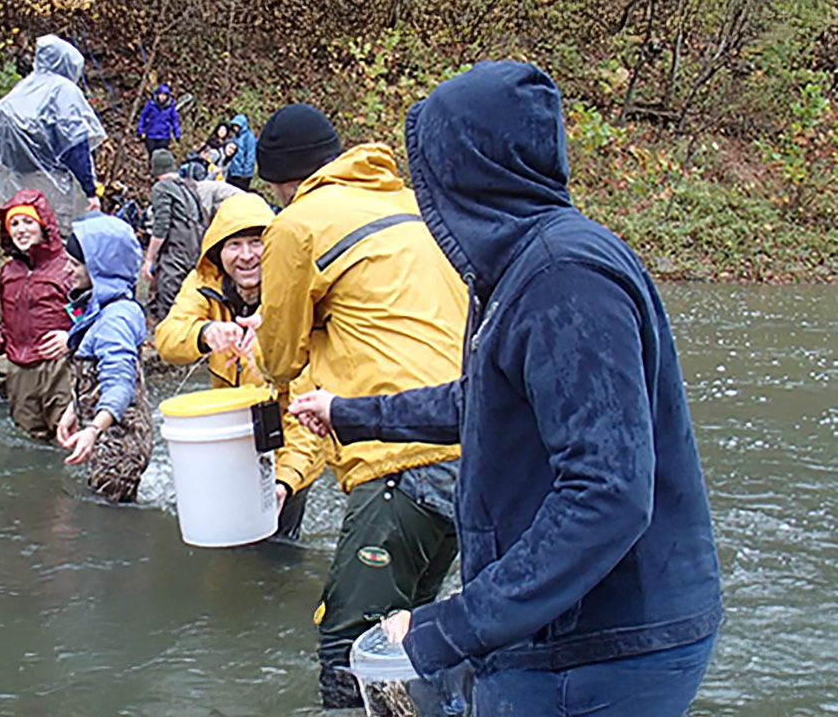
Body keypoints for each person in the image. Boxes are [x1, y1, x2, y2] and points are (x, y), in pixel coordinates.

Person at [290, 62, 723, 716]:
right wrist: (348, 413)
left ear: (466, 170)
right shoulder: (515, 270)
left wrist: (454, 626)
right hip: (551, 634)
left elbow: (609, 495)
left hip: (606, 644)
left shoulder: (564, 277)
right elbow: (483, 406)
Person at [251, 103, 469, 709]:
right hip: (473, 450)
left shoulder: (297, 225)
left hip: (398, 460)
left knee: (348, 647)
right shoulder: (412, 205)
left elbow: (279, 358)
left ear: (283, 181)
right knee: (409, 642)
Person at [153, 193, 325, 541]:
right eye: (234, 244)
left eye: (256, 243)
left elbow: (308, 413)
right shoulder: (205, 284)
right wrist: (206, 332)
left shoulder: (297, 296)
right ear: (218, 251)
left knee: (277, 552)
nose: (246, 256)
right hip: (230, 440)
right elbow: (167, 338)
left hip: (288, 446)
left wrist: (285, 481)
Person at [57, 214, 153, 504]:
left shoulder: (116, 319)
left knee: (109, 526)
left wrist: (93, 429)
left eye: (74, 264)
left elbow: (120, 384)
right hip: (106, 437)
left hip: (119, 444)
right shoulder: (100, 307)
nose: (66, 270)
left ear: (99, 268)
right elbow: (95, 377)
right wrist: (74, 410)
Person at [0, 35, 105, 237]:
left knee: (28, 236)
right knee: (56, 239)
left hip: (19, 181)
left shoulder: (25, 88)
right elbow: (74, 143)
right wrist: (89, 190)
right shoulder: (63, 90)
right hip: (54, 184)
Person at [0, 190, 72, 440]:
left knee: (67, 435)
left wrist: (71, 338)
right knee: (31, 439)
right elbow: (8, 324)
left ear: (44, 225)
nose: (21, 229)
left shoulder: (68, 267)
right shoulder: (8, 273)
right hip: (19, 369)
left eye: (28, 221)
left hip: (59, 365)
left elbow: (93, 317)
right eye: (14, 223)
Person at [141, 149, 206, 322]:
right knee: (191, 297)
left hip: (175, 252)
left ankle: (167, 342)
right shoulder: (189, 186)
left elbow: (161, 226)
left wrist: (149, 259)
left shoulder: (161, 188)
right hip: (196, 248)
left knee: (169, 299)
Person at [136, 84, 181, 157]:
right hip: (151, 135)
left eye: (164, 95)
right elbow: (143, 117)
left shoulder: (170, 107)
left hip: (164, 136)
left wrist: (177, 134)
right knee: (152, 155)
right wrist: (139, 130)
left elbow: (175, 121)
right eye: (161, 95)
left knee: (161, 156)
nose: (162, 97)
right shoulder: (150, 105)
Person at [226, 114, 257, 190]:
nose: (235, 128)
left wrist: (246, 173)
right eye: (233, 125)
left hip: (242, 174)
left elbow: (250, 156)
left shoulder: (249, 137)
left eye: (237, 125)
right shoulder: (235, 137)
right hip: (233, 172)